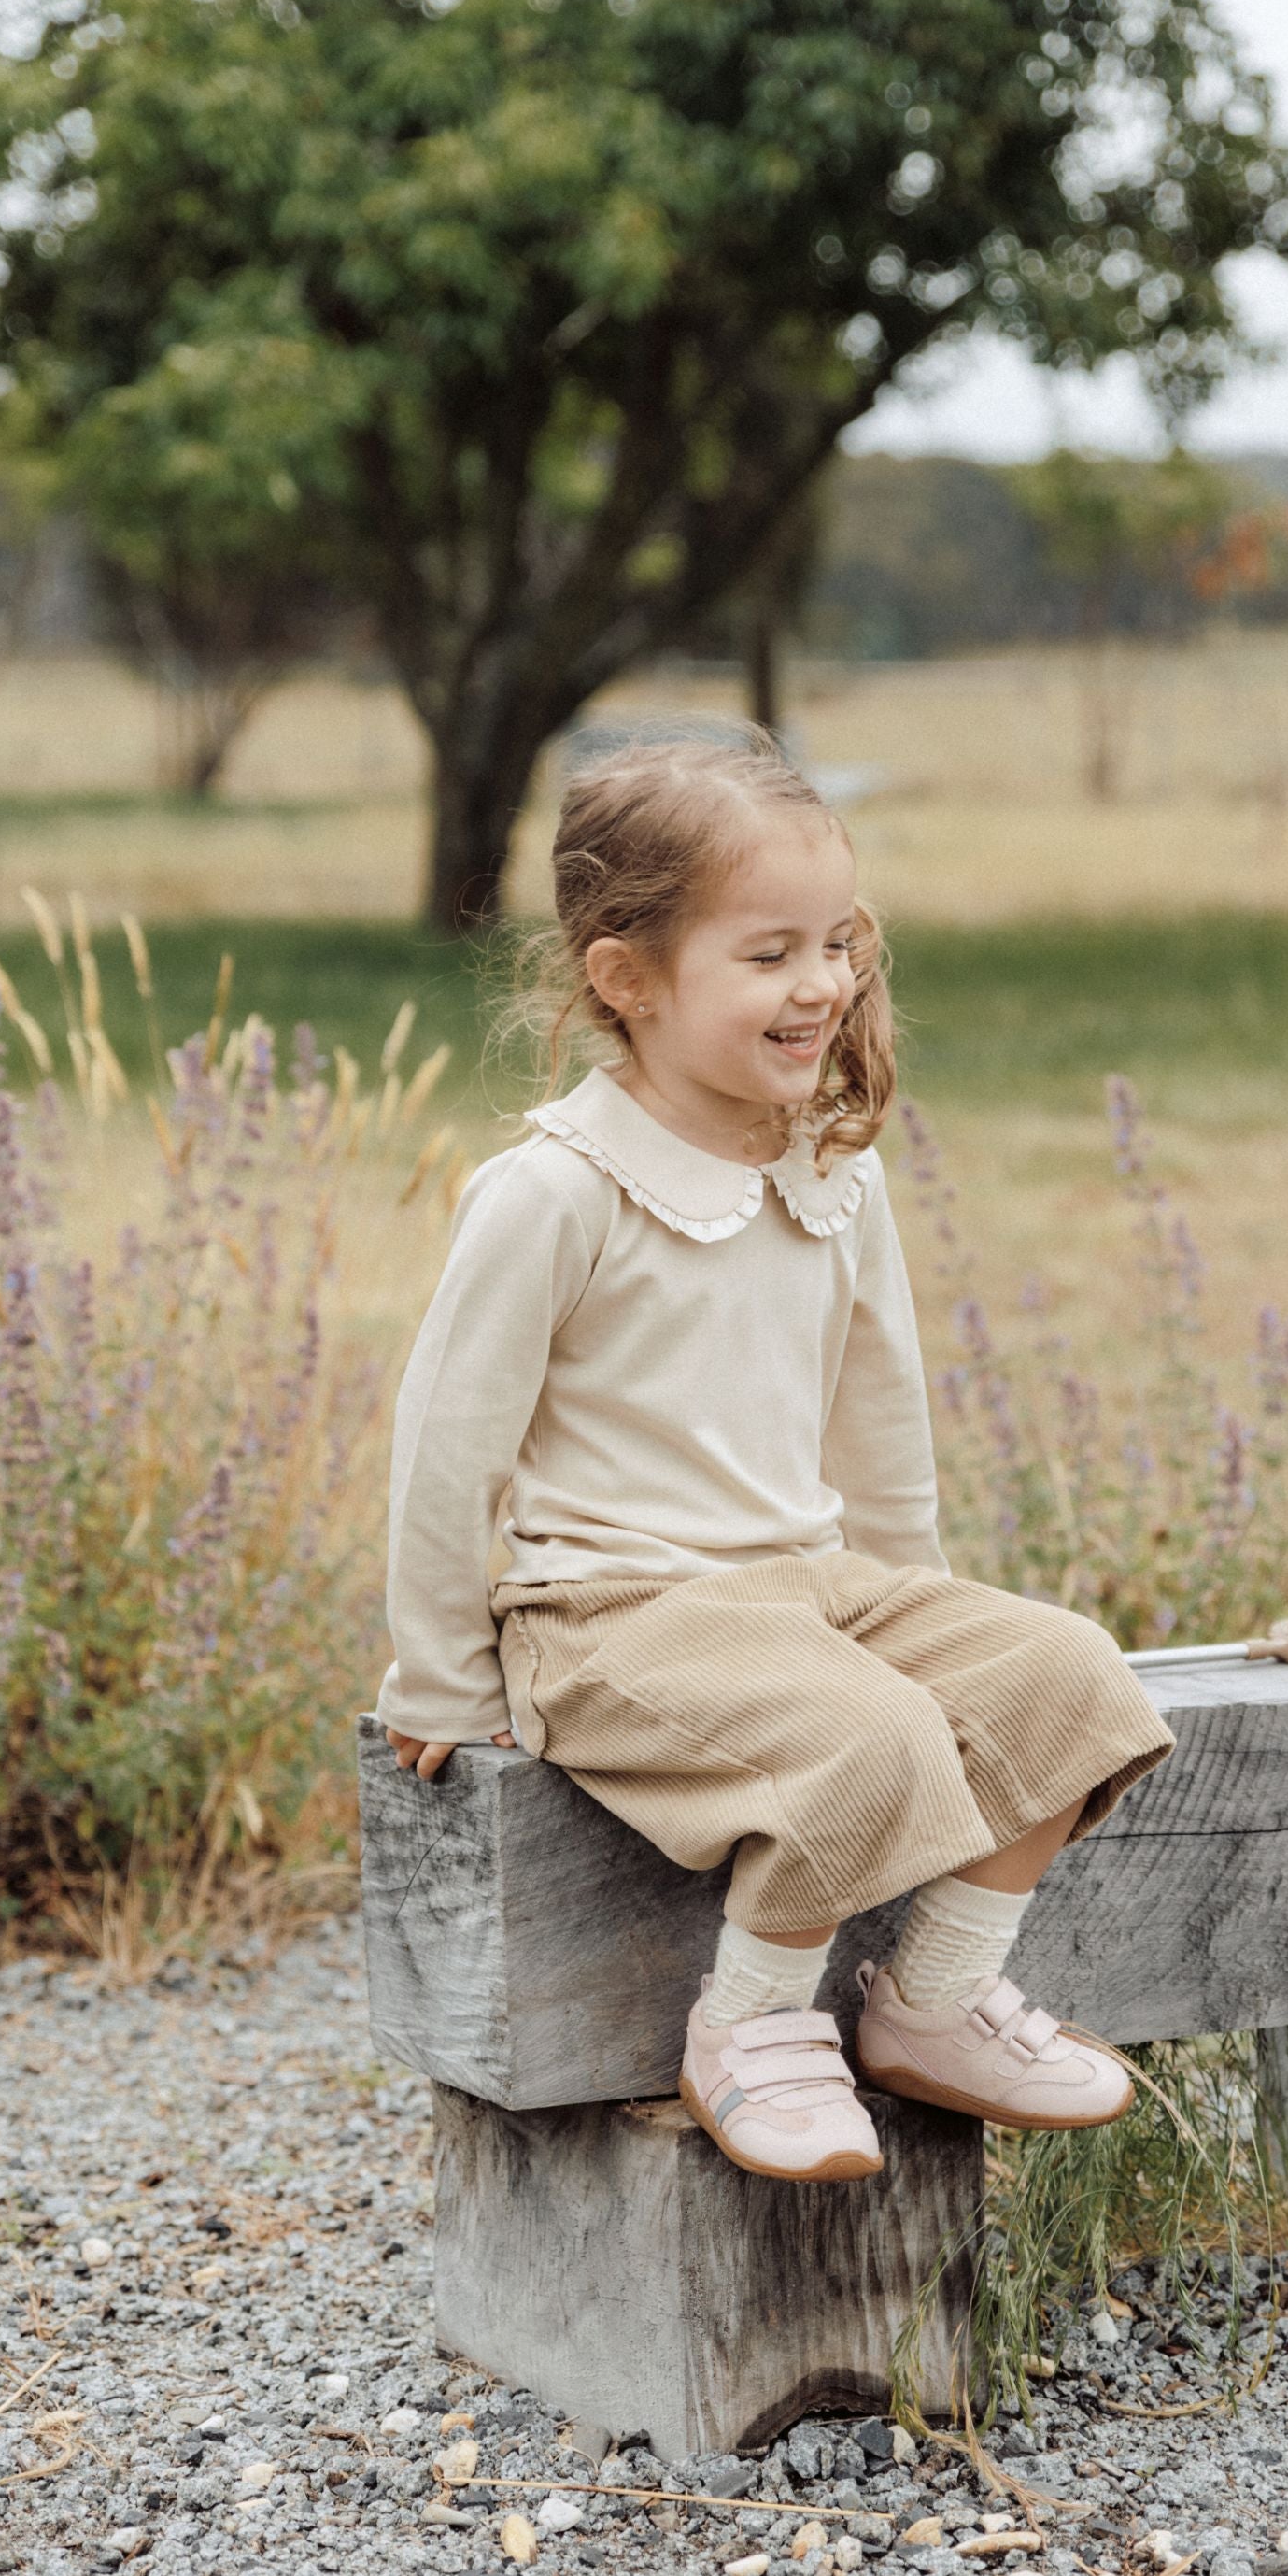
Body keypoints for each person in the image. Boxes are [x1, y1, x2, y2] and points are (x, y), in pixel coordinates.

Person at [379, 734, 1174, 2184]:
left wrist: (921, 1623)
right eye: (769, 955)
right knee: (864, 1741)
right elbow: (449, 1447)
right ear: (628, 979)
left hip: (808, 1590)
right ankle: (745, 2030)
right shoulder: (558, 1191)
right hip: (615, 1618)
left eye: (840, 946)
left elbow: (883, 1415)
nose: (823, 987)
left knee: (1074, 1682)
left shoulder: (831, 1167)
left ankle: (928, 2006)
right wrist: (441, 1671)